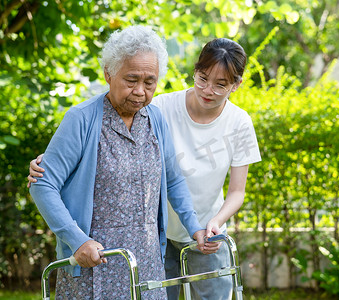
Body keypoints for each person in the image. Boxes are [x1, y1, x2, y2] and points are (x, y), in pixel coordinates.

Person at [29, 38, 261, 300]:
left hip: (147, 263)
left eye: (149, 82)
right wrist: (77, 240)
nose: (140, 91)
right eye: (131, 80)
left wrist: (195, 227)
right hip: (95, 261)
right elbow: (43, 185)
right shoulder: (81, 119)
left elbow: (173, 180)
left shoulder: (155, 118)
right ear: (108, 73)